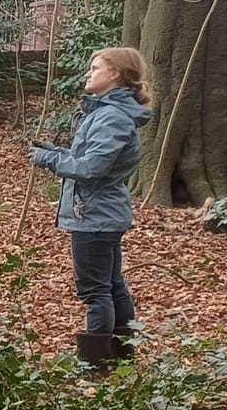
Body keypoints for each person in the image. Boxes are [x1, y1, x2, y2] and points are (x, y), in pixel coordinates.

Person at [30, 45, 153, 368]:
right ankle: (122, 359)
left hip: (94, 216)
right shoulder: (107, 113)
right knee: (111, 286)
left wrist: (51, 159)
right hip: (102, 213)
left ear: (115, 74)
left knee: (95, 291)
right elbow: (91, 161)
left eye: (95, 67)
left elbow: (91, 169)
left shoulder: (111, 116)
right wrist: (58, 151)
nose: (87, 73)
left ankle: (96, 368)